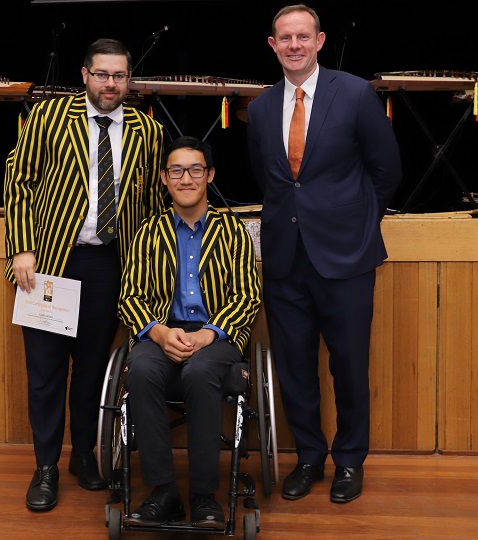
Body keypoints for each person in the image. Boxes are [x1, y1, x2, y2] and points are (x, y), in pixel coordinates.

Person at [246, 4, 402, 503]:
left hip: (346, 259)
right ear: (272, 45)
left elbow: (387, 170)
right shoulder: (262, 106)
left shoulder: (354, 93)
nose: (294, 45)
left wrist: (357, 223)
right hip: (285, 261)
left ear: (319, 41)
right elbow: (270, 180)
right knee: (293, 365)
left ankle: (350, 461)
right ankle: (309, 457)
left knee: (350, 364)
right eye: (284, 38)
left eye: (302, 37)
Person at [3, 38, 164, 512]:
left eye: (119, 76)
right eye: (102, 74)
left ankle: (83, 457)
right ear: (85, 74)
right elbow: (19, 179)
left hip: (112, 264)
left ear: (128, 80)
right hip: (50, 264)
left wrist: (153, 267)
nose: (110, 84)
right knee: (47, 373)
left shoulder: (145, 130)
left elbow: (153, 204)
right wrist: (22, 248)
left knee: (92, 369)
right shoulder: (49, 118)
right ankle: (46, 467)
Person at [118, 136, 261, 528]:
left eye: (195, 169)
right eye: (176, 170)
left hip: (216, 337)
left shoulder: (232, 231)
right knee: (143, 372)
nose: (186, 178)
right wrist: (160, 333)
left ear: (209, 175)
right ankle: (163, 492)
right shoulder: (148, 232)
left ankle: (203, 497)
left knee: (200, 373)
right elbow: (129, 297)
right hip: (160, 332)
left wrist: (209, 334)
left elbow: (248, 296)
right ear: (164, 178)